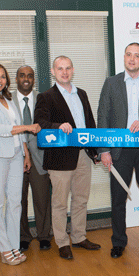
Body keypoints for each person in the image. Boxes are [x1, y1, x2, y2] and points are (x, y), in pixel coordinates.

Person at [97, 42, 139, 259]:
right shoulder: (111, 83)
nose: (132, 59)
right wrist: (104, 150)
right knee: (118, 199)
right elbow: (103, 118)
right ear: (124, 57)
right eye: (129, 55)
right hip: (119, 151)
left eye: (137, 56)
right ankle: (118, 242)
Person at [34, 56, 100, 260]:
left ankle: (79, 237)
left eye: (68, 68)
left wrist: (95, 150)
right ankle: (62, 242)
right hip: (60, 157)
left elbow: (90, 123)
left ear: (73, 70)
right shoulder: (46, 97)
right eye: (60, 68)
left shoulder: (82, 94)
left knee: (81, 200)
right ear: (53, 71)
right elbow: (40, 122)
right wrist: (57, 126)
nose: (64, 72)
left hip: (83, 155)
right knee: (60, 203)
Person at [0, 64, 40, 265]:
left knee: (15, 202)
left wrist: (25, 153)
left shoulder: (8, 99)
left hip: (15, 155)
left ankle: (13, 245)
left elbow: (17, 131)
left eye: (2, 76)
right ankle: (3, 248)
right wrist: (27, 127)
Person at [12, 65, 52, 252]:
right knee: (18, 200)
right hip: (15, 157)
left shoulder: (43, 99)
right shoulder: (6, 100)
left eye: (29, 76)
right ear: (16, 78)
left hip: (40, 157)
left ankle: (44, 236)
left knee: (42, 198)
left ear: (34, 79)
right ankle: (23, 237)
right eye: (22, 75)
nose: (26, 79)